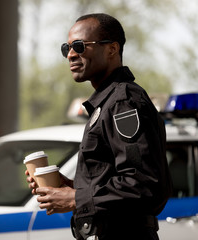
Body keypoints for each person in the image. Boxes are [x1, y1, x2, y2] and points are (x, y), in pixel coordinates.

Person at [26, 13, 172, 240]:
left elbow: (143, 184)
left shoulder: (124, 102)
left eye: (80, 46)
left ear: (112, 49)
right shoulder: (107, 103)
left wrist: (76, 198)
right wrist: (70, 187)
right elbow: (115, 180)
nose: (72, 54)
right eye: (67, 48)